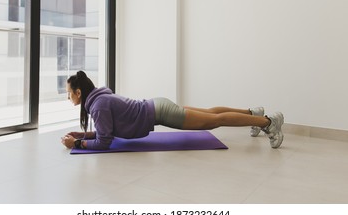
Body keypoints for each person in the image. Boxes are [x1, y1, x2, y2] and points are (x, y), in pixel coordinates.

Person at [61, 71, 284, 150]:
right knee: (210, 113)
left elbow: (104, 142)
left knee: (213, 120)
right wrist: (81, 135)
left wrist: (78, 144)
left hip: (162, 112)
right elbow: (103, 132)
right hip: (158, 105)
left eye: (69, 92)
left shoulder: (98, 106)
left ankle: (267, 122)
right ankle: (252, 112)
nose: (68, 96)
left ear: (79, 93)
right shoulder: (100, 100)